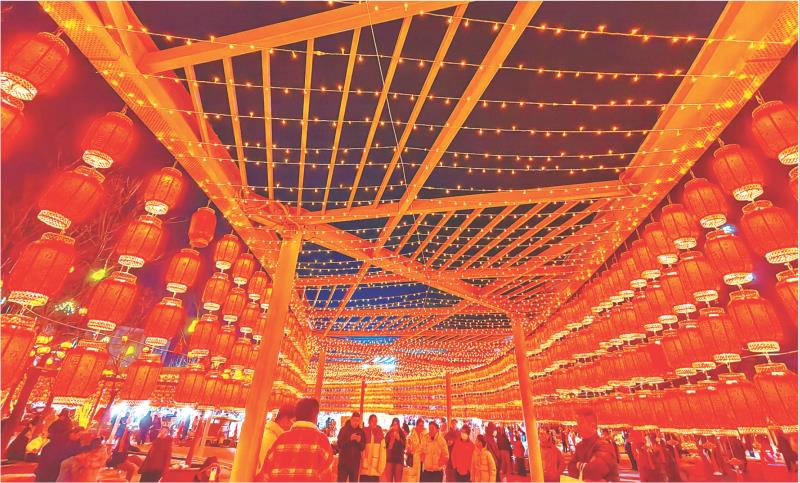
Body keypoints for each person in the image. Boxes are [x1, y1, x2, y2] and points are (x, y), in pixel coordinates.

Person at [259, 397, 335, 482]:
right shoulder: (322, 441)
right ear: (315, 417)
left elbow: (264, 475)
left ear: (296, 416)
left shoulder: (281, 439)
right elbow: (327, 477)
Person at [567, 408, 619, 482]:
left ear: (593, 425)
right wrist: (584, 466)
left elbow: (595, 471)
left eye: (581, 423)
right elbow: (570, 468)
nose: (577, 427)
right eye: (577, 424)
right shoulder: (580, 446)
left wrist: (577, 465)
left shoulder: (604, 445)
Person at [257, 402, 296, 474]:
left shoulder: (276, 435)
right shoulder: (270, 438)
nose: (294, 425)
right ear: (285, 419)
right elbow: (268, 470)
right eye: (294, 421)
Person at [336, 411, 366, 482]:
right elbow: (339, 444)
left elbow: (362, 447)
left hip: (355, 463)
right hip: (343, 462)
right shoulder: (343, 430)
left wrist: (359, 442)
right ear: (351, 419)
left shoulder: (361, 431)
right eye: (354, 420)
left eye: (357, 421)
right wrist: (349, 439)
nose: (356, 422)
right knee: (341, 481)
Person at [359, 414, 386, 482]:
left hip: (375, 468)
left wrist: (381, 467)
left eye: (376, 421)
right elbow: (360, 449)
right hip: (365, 467)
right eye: (373, 421)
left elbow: (383, 452)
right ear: (369, 421)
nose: (374, 423)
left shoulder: (380, 432)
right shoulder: (364, 431)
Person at [384, 417, 406, 482]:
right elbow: (386, 446)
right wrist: (392, 440)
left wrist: (399, 439)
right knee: (389, 480)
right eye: (394, 424)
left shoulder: (402, 433)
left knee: (398, 480)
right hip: (390, 459)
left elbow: (404, 446)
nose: (395, 426)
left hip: (399, 459)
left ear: (399, 425)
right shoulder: (388, 433)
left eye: (396, 424)